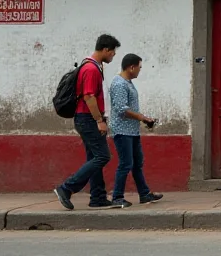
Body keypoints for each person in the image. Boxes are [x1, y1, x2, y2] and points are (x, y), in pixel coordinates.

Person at [53, 34, 119, 210]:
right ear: (105, 50)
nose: (113, 56)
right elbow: (89, 97)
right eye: (113, 53)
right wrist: (99, 120)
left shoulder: (93, 66)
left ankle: (97, 196)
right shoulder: (90, 69)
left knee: (94, 156)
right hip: (88, 119)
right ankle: (66, 189)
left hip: (87, 118)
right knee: (103, 156)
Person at [108, 53, 164, 208]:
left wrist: (142, 119)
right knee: (126, 164)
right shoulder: (119, 84)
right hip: (122, 131)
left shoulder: (128, 82)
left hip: (131, 131)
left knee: (137, 163)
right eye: (139, 67)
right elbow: (121, 109)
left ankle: (144, 194)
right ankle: (117, 197)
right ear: (131, 67)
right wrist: (142, 117)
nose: (140, 70)